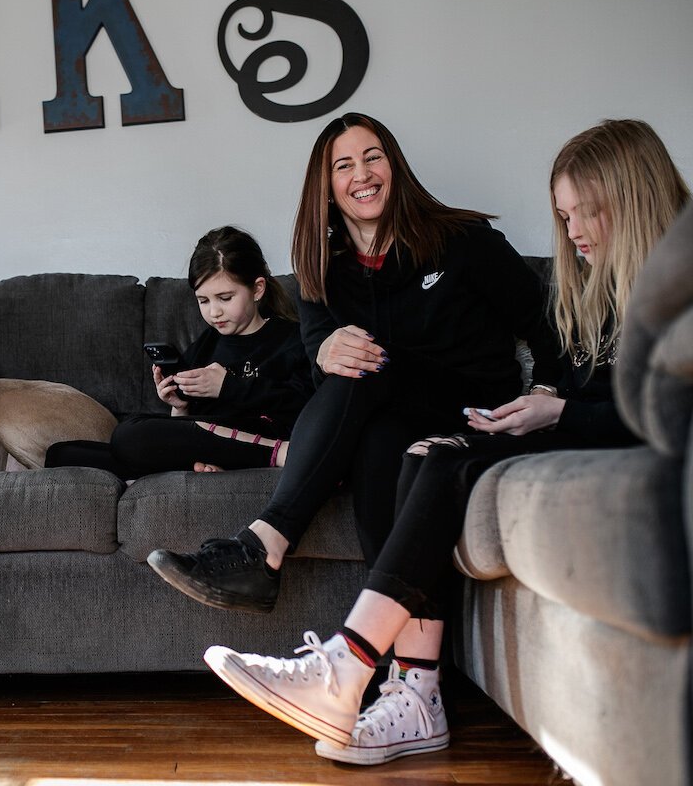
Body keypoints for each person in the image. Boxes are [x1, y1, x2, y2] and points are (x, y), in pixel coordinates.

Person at [199, 118, 690, 765]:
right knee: (424, 453)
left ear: (634, 198)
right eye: (564, 217)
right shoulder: (600, 290)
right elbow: (584, 384)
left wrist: (553, 407)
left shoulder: (660, 285)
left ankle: (346, 664)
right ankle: (413, 695)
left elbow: (646, 410)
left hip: (557, 426)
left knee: (435, 449)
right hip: (487, 420)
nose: (571, 234)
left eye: (586, 213)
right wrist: (547, 405)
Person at [148, 113, 562, 615]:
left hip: (474, 407)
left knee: (368, 362)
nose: (361, 175)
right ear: (327, 187)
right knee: (375, 439)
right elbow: (322, 377)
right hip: (395, 411)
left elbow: (550, 322)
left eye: (372, 158)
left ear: (394, 166)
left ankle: (264, 545)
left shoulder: (463, 239)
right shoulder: (322, 267)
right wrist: (323, 351)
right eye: (343, 166)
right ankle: (403, 668)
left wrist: (545, 394)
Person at [44, 226, 313, 478]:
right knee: (61, 453)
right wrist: (180, 406)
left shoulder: (291, 339)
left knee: (129, 435)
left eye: (225, 298)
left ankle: (280, 454)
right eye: (203, 301)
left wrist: (228, 386)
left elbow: (303, 405)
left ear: (257, 289)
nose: (214, 312)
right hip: (206, 438)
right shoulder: (208, 342)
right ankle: (203, 461)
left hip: (265, 433)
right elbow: (189, 425)